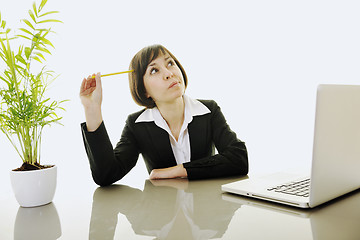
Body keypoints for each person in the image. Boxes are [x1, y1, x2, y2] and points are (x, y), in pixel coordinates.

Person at [80, 44, 248, 186]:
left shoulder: (208, 110)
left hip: (205, 215)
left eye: (170, 63)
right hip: (162, 217)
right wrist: (92, 109)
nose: (169, 73)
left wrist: (177, 171)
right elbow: (106, 175)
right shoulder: (137, 124)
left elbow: (238, 158)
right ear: (144, 90)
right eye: (154, 70)